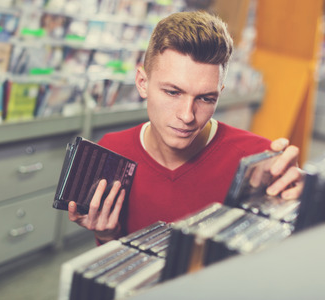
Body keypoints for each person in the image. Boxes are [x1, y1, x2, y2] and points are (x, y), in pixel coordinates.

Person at [68, 11, 304, 244]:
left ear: (219, 94)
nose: (187, 115)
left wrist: (304, 207)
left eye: (205, 98)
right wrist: (107, 236)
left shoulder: (258, 160)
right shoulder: (112, 151)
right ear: (142, 83)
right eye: (173, 92)